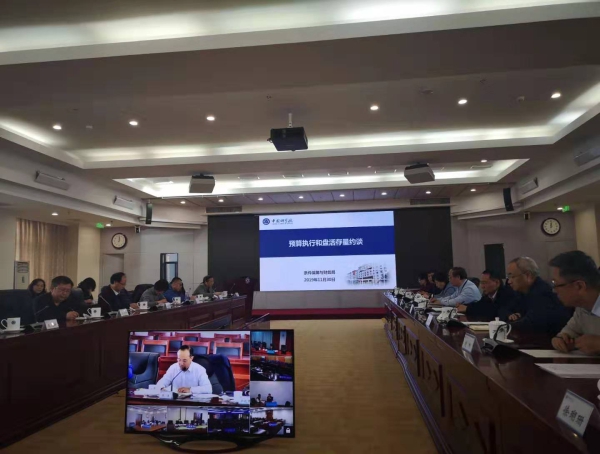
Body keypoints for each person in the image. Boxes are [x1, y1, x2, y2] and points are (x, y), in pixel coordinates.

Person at [506, 257, 572, 337]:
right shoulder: (520, 292)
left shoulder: (543, 292)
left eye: (512, 277)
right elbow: (505, 309)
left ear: (528, 276)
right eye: (508, 277)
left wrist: (503, 327)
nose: (509, 281)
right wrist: (510, 315)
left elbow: (531, 323)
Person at [549, 251, 600, 355]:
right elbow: (569, 332)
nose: (554, 290)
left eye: (556, 284)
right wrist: (560, 340)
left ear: (579, 286)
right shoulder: (582, 307)